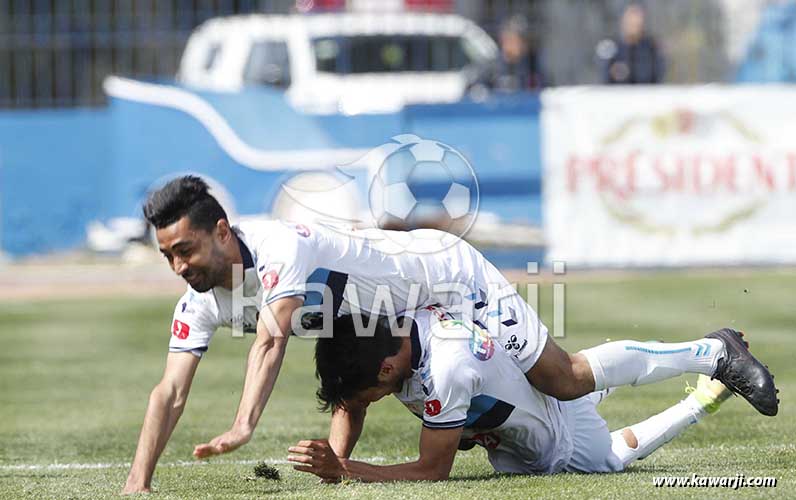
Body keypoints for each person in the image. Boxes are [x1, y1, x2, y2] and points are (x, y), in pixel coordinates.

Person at [122, 175, 778, 493]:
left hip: (447, 276)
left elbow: (271, 338)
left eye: (185, 250)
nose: (180, 267)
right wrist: (137, 482)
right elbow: (168, 393)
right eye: (168, 257)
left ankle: (714, 351)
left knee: (564, 376)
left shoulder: (280, 252)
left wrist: (243, 426)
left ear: (222, 231)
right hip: (413, 321)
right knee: (366, 377)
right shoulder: (202, 299)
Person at [288, 309, 760, 481]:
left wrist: (344, 469)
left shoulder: (446, 370)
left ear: (389, 367)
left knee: (610, 457)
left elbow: (432, 471)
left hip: (554, 439)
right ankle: (707, 353)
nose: (359, 405)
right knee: (577, 378)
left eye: (368, 395)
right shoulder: (389, 324)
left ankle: (705, 390)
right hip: (525, 384)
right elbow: (352, 399)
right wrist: (332, 457)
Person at [599, 4, 664, 84]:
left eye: (636, 24)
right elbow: (604, 74)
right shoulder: (610, 45)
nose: (633, 26)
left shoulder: (652, 46)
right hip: (617, 94)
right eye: (630, 23)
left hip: (646, 93)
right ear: (623, 22)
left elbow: (658, 73)